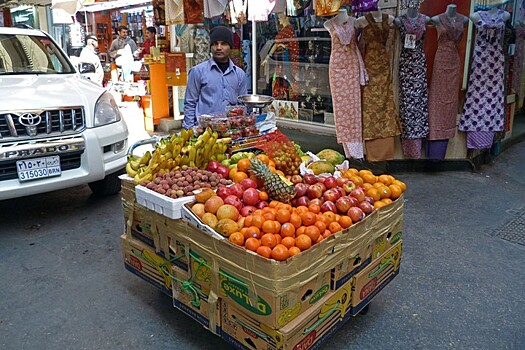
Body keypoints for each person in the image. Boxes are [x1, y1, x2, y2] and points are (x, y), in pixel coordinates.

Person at [183, 25, 247, 130]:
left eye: (224, 44)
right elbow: (190, 103)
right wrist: (189, 130)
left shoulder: (239, 74)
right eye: (215, 44)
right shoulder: (198, 71)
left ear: (230, 47)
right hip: (204, 132)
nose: (218, 47)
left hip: (231, 131)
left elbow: (242, 106)